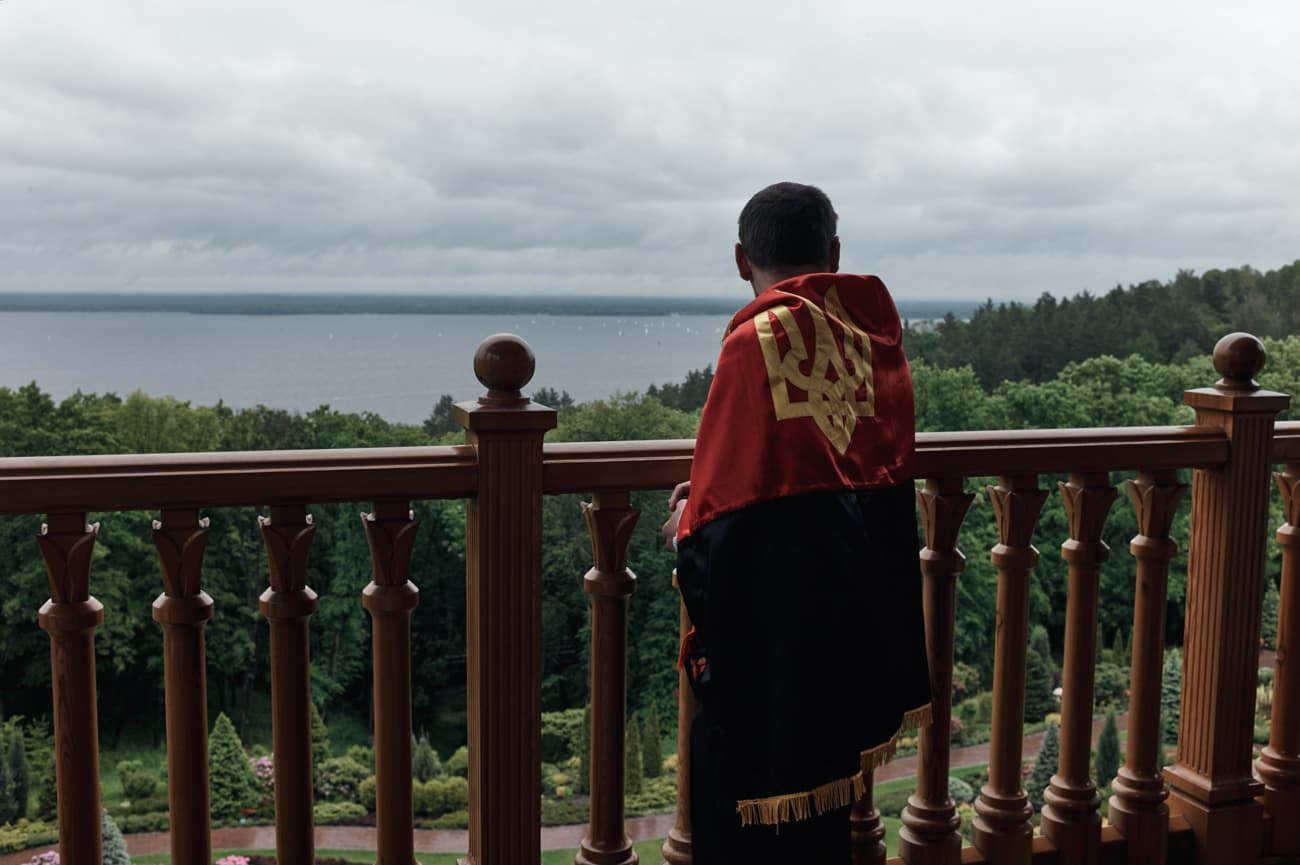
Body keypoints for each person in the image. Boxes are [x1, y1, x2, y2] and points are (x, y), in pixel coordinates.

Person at [661, 182, 931, 864]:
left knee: (743, 824)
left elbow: (727, 519)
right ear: (834, 255)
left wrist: (683, 525)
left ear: (738, 259)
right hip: (850, 631)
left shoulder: (755, 341)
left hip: (774, 643)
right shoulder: (868, 337)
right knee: (822, 831)